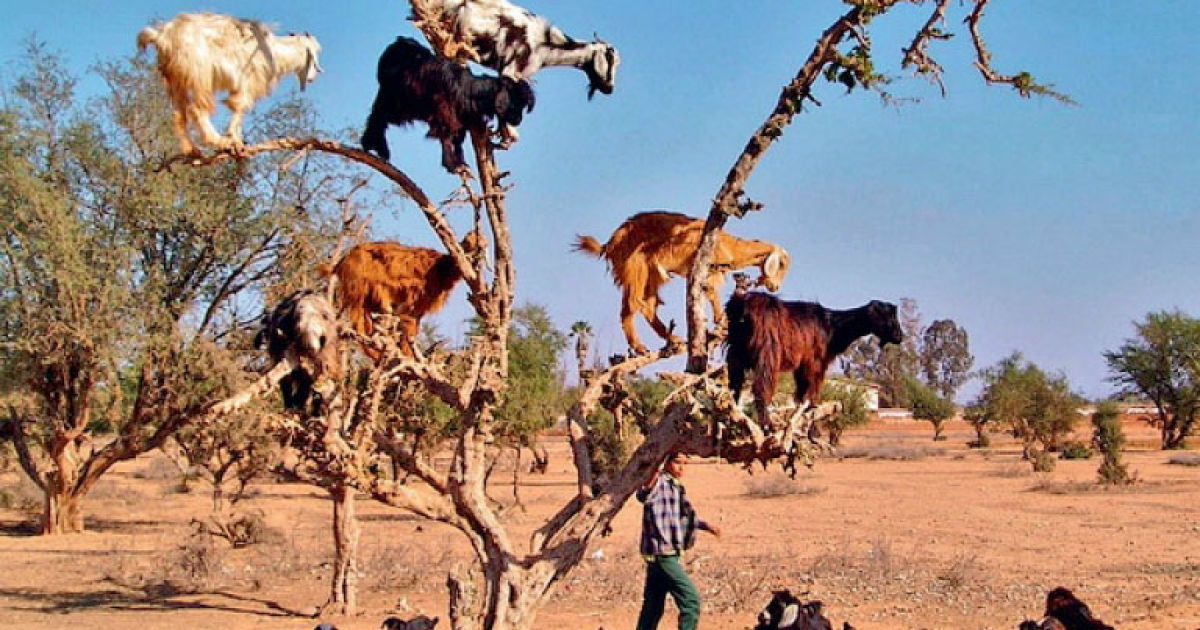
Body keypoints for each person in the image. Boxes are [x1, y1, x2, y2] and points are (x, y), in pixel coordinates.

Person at [635, 451, 721, 630]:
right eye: (677, 462)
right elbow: (643, 494)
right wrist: (656, 464)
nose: (682, 468)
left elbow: (684, 518)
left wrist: (706, 526)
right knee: (691, 602)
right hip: (663, 554)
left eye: (685, 463)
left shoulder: (677, 488)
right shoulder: (659, 483)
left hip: (666, 555)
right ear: (666, 463)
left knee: (653, 606)